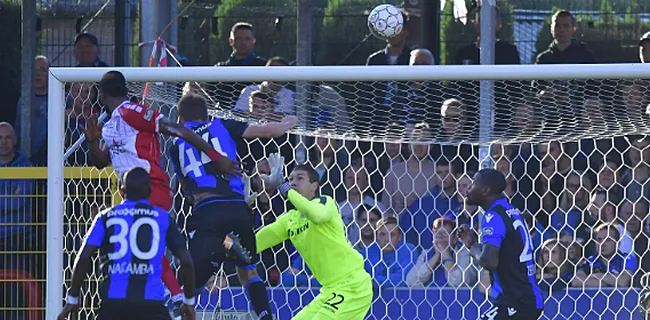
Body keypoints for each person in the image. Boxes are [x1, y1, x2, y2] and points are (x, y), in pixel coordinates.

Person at [80, 70, 239, 317]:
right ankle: (172, 297)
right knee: (147, 246)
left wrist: (217, 159)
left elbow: (179, 130)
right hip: (129, 194)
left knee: (151, 243)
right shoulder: (110, 125)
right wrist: (91, 141)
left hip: (151, 186)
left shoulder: (132, 111)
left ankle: (176, 297)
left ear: (102, 94)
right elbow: (100, 161)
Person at [169, 93, 298, 320]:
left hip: (207, 213)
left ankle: (179, 313)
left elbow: (186, 188)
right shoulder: (222, 125)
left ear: (180, 120)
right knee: (248, 270)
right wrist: (287, 123)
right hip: (236, 210)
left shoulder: (176, 144)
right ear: (207, 115)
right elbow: (268, 131)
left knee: (195, 279)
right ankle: (265, 316)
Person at [57, 167, 196, 320]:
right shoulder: (163, 218)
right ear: (150, 190)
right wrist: (188, 301)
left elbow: (84, 257)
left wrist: (73, 299)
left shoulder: (105, 217)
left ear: (121, 190)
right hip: (151, 305)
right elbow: (186, 260)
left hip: (114, 305)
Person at [255, 156, 373, 319]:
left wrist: (284, 187)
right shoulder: (290, 219)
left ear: (314, 186)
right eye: (290, 179)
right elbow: (254, 244)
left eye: (300, 178)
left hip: (352, 285)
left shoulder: (325, 203)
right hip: (329, 290)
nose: (293, 182)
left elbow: (316, 216)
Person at [457, 168, 543, 320]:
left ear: (485, 190)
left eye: (473, 183)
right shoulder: (511, 210)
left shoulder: (493, 216)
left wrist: (471, 245)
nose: (468, 188)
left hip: (516, 302)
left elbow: (489, 261)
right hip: (524, 298)